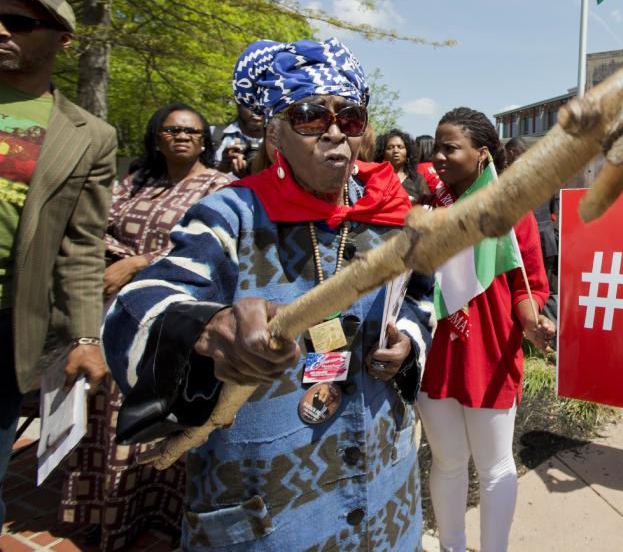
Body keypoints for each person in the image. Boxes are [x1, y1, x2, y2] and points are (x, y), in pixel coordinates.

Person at [102, 37, 433, 551]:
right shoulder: (232, 215)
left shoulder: (390, 216)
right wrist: (207, 330)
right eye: (308, 117)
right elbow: (140, 302)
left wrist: (409, 341)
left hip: (385, 495)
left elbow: (419, 298)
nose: (332, 131)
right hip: (270, 512)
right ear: (275, 133)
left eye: (348, 117)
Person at [59, 103, 231, 550]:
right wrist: (118, 265)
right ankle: (105, 508)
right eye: (172, 129)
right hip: (117, 312)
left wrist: (138, 263)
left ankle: (161, 513)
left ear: (204, 140)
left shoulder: (221, 189)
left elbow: (219, 253)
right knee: (107, 411)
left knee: (159, 409)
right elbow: (95, 229)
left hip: (178, 320)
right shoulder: (135, 183)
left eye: (192, 131)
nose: (182, 137)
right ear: (157, 138)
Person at [0, 0, 116, 526]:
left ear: (62, 40)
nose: (1, 30)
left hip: (10, 320)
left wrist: (86, 335)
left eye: (19, 23)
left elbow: (81, 245)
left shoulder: (88, 136)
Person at [418, 107, 554, 552]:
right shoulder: (427, 209)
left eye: (450, 148)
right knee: (448, 461)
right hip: (435, 352)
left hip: (489, 352)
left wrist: (532, 320)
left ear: (482, 154)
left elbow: (527, 284)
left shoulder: (512, 209)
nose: (438, 157)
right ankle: (452, 546)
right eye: (436, 147)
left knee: (495, 466)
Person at [505, 136, 558, 322]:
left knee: (524, 287)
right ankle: (551, 335)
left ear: (511, 153)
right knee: (548, 290)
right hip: (548, 238)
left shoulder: (511, 175)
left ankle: (536, 329)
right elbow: (553, 210)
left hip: (525, 239)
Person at [374, 128, 429, 203]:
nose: (396, 151)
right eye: (390, 148)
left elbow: (426, 206)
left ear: (408, 152)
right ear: (382, 153)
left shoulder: (417, 179)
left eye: (400, 147)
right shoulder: (376, 178)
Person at [213, 104, 264, 175]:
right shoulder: (210, 134)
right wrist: (221, 169)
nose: (257, 111)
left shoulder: (281, 142)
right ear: (238, 107)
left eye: (264, 105)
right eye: (250, 104)